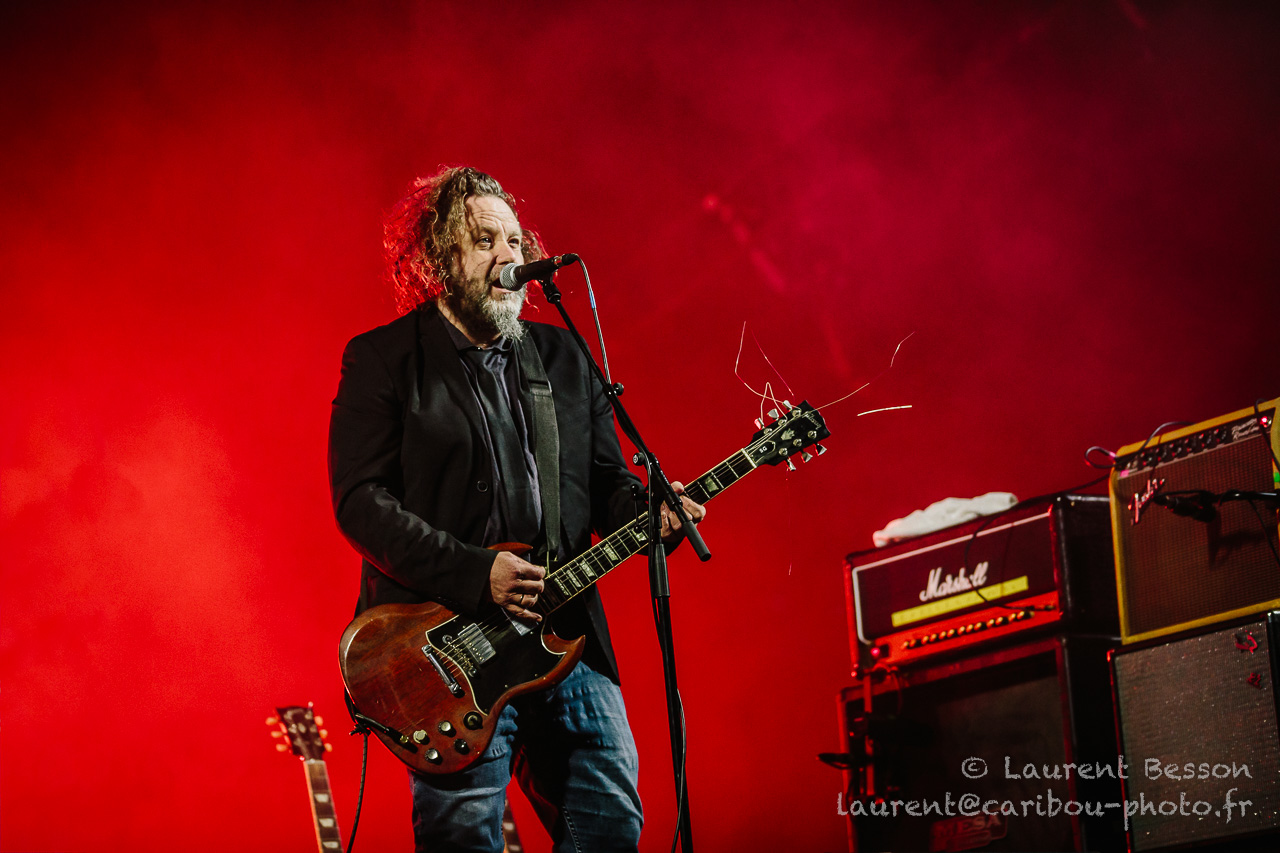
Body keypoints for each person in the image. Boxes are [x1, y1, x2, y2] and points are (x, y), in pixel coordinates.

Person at [328, 166, 705, 852]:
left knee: (611, 825)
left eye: (515, 240)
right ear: (438, 258)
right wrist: (480, 574)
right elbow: (361, 503)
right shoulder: (384, 359)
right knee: (464, 836)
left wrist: (652, 511)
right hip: (448, 653)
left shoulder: (562, 355)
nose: (509, 256)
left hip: (566, 635)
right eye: (485, 240)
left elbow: (606, 482)